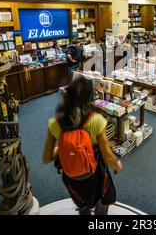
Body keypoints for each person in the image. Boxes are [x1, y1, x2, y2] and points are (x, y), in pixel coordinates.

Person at [42, 77, 123, 215]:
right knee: (101, 200)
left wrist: (61, 148)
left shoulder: (54, 123)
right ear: (89, 98)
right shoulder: (96, 120)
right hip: (94, 174)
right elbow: (107, 155)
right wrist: (117, 165)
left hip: (71, 176)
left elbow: (46, 158)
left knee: (82, 204)